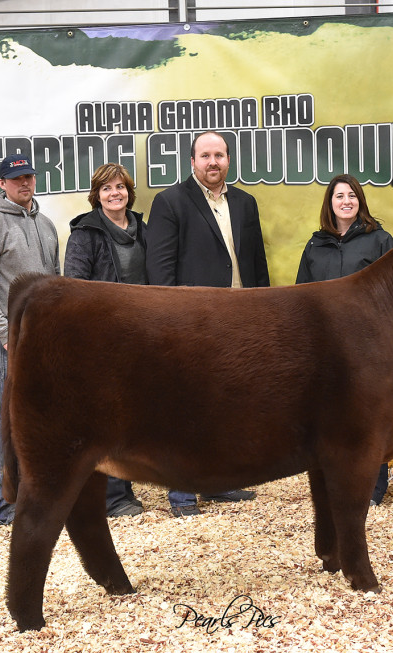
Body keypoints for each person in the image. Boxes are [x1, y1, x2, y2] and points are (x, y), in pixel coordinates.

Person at [145, 130, 270, 517]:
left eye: (219, 155)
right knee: (185, 405)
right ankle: (182, 493)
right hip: (191, 323)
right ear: (192, 161)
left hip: (239, 321)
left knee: (228, 404)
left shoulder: (246, 203)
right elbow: (159, 268)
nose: (213, 162)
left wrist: (263, 314)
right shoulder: (170, 202)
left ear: (228, 159)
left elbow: (255, 263)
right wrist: (170, 321)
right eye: (205, 155)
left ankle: (218, 483)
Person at [0, 153, 60, 525]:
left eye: (29, 177)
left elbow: (55, 283)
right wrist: (5, 333)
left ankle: (40, 497)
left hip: (47, 340)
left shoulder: (47, 224)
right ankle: (7, 506)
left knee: (44, 417)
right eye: (16, 178)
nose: (25, 183)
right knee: (10, 418)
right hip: (13, 342)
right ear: (1, 184)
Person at [296, 174, 393, 505]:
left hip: (368, 347)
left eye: (352, 195)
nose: (346, 201)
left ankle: (372, 488)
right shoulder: (315, 245)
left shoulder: (380, 241)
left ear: (360, 202)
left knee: (368, 416)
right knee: (328, 417)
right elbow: (301, 295)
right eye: (339, 196)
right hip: (325, 348)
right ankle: (330, 486)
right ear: (330, 203)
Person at [64, 163, 147, 518]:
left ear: (129, 190)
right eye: (106, 188)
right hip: (103, 338)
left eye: (120, 187)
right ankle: (114, 495)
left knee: (133, 413)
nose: (115, 193)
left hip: (143, 333)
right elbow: (73, 287)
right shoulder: (85, 233)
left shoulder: (145, 228)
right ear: (96, 195)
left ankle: (128, 484)